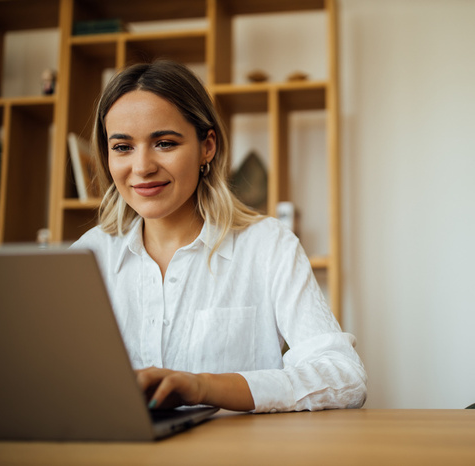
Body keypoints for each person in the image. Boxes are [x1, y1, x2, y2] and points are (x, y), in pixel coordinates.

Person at [71, 60, 367, 413]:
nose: (142, 167)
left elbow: (345, 377)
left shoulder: (267, 245)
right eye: (122, 147)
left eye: (164, 143)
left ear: (207, 147)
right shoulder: (86, 256)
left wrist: (204, 386)